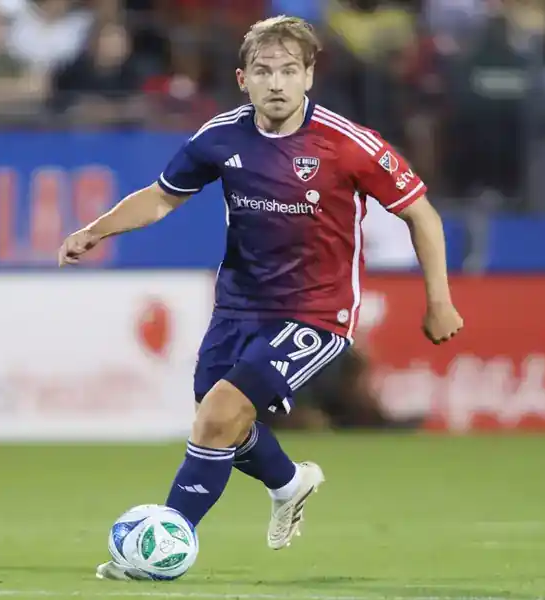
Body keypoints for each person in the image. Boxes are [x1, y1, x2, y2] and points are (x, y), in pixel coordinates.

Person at [57, 15, 463, 580]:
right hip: (238, 306)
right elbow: (161, 197)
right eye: (265, 71)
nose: (277, 83)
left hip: (317, 312)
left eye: (289, 71)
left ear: (309, 76)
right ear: (242, 79)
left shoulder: (348, 144)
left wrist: (439, 300)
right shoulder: (220, 136)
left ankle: (161, 546)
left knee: (219, 414)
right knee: (217, 416)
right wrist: (96, 230)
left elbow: (421, 213)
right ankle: (289, 482)